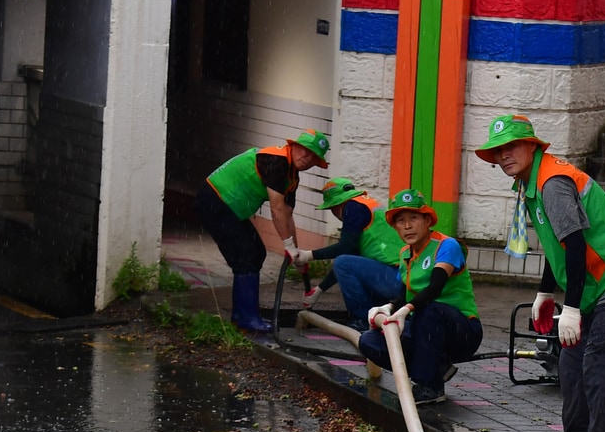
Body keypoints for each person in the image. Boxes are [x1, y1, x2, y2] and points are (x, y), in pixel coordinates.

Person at [475, 114, 605, 432]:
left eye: (511, 146)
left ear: (532, 146)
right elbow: (558, 245)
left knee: (598, 363)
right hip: (596, 284)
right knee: (570, 361)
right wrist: (545, 292)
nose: (504, 155)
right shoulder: (531, 183)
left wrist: (569, 308)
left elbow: (575, 244)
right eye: (498, 150)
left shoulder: (552, 183)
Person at [195, 129, 331, 332]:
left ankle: (242, 316)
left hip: (229, 207)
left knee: (256, 252)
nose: (307, 158)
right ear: (293, 146)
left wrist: (296, 253)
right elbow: (276, 209)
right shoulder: (277, 161)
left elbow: (287, 214)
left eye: (314, 157)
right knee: (246, 255)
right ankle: (247, 319)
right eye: (305, 150)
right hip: (216, 201)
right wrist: (287, 245)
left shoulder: (291, 176)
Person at [356, 189, 483, 405]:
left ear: (426, 220)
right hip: (425, 328)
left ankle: (430, 386)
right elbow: (404, 293)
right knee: (369, 341)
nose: (407, 226)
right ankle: (437, 368)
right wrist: (388, 308)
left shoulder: (446, 245)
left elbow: (436, 286)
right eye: (401, 221)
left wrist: (404, 311)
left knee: (430, 310)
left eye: (413, 218)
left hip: (462, 330)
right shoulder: (405, 253)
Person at [293, 177, 405, 328]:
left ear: (337, 205)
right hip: (399, 280)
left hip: (393, 279)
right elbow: (350, 257)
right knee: (346, 263)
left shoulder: (352, 208)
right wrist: (319, 290)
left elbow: (344, 250)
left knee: (342, 263)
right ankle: (375, 315)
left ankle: (362, 320)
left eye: (331, 209)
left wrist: (308, 255)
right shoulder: (365, 205)